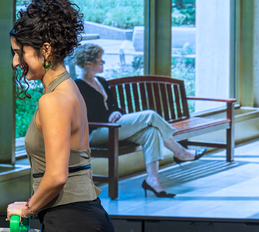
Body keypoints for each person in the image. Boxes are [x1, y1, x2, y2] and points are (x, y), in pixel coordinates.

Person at [6, 0, 216, 232]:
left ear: (45, 49)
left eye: (19, 52)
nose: (15, 61)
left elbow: (55, 176)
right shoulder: (69, 90)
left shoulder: (53, 101)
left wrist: (26, 208)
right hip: (87, 218)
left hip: (70, 222)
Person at [72, 44, 206, 198]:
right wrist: (107, 118)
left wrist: (116, 112)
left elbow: (114, 106)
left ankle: (152, 179)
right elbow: (83, 117)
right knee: (150, 115)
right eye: (100, 61)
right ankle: (180, 151)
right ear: (88, 64)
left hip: (113, 127)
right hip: (95, 132)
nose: (103, 63)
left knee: (152, 131)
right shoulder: (77, 87)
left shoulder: (101, 81)